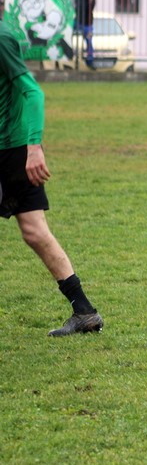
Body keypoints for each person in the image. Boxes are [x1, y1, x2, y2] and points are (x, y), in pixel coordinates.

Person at [0, 19, 103, 337]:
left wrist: (34, 147)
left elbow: (33, 93)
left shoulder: (1, 37)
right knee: (34, 231)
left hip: (12, 148)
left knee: (35, 230)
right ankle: (84, 311)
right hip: (14, 147)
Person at [73, 0, 94, 68]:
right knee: (71, 34)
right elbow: (79, 8)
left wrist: (90, 0)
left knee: (89, 41)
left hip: (88, 24)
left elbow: (90, 8)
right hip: (78, 22)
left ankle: (90, 60)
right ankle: (73, 56)